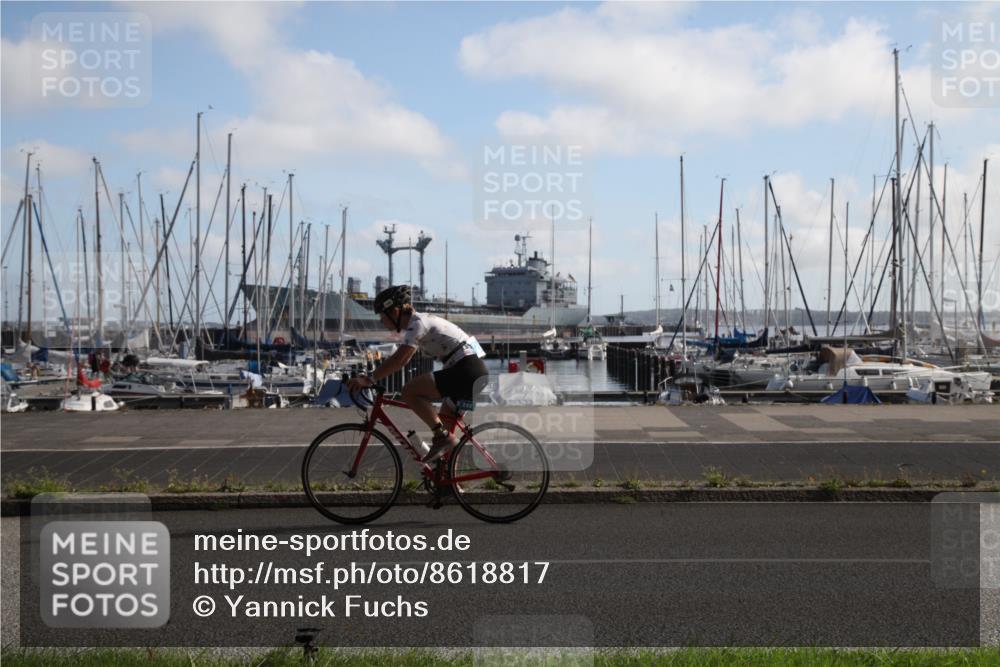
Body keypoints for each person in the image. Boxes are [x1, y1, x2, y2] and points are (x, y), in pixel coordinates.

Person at [348, 285, 488, 463]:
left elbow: (400, 360)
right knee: (447, 433)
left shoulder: (417, 324)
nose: (381, 321)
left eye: (382, 316)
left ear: (395, 311)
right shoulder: (422, 322)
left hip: (467, 370)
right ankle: (450, 484)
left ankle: (441, 436)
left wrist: (370, 379)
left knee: (409, 391)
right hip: (473, 370)